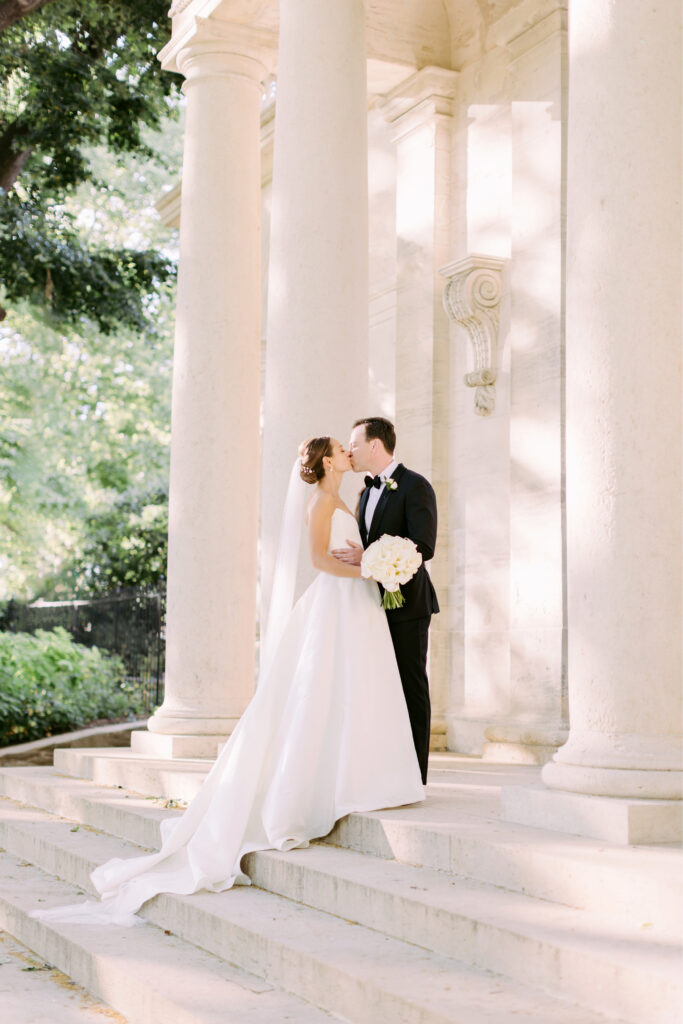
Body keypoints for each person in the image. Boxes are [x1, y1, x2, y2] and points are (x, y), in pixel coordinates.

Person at [30, 436, 424, 927]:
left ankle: (362, 773)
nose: (349, 451)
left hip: (358, 604)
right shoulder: (321, 501)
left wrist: (374, 565)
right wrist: (370, 567)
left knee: (356, 691)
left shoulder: (348, 497)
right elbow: (321, 561)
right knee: (322, 691)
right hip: (337, 601)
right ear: (327, 461)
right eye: (341, 449)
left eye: (352, 446)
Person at [332, 418, 439, 785]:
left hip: (408, 604)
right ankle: (383, 770)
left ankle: (415, 775)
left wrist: (371, 558)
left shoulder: (416, 485)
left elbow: (423, 547)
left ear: (375, 445)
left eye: (354, 444)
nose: (349, 451)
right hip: (370, 606)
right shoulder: (363, 494)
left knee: (411, 686)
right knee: (378, 687)